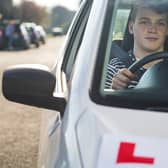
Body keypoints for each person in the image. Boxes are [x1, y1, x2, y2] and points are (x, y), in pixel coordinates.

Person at [105, 0, 168, 90]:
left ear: (167, 30)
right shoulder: (115, 68)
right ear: (131, 28)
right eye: (144, 22)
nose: (153, 29)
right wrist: (114, 90)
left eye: (160, 23)